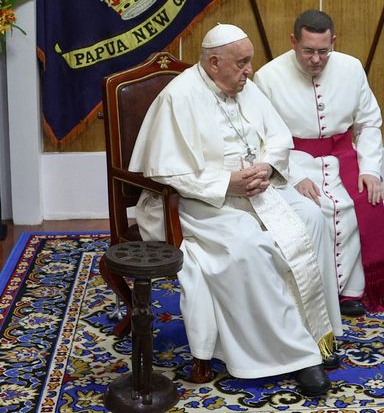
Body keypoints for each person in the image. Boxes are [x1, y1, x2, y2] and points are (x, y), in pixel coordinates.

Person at [129, 24, 343, 396]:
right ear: (214, 63)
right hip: (200, 203)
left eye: (250, 62)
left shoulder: (247, 88)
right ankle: (293, 356)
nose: (250, 71)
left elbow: (278, 137)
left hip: (258, 190)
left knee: (312, 219)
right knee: (249, 248)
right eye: (242, 63)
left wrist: (266, 166)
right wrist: (228, 183)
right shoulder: (179, 98)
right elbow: (167, 171)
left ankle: (318, 333)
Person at [254, 9, 384, 317]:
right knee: (318, 208)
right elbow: (265, 139)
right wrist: (292, 175)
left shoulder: (352, 68)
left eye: (323, 51)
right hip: (295, 159)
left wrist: (370, 169)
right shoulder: (268, 77)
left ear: (334, 43)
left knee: (367, 200)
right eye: (308, 51)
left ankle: (352, 291)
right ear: (293, 42)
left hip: (344, 155)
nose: (316, 59)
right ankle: (317, 290)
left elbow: (368, 123)